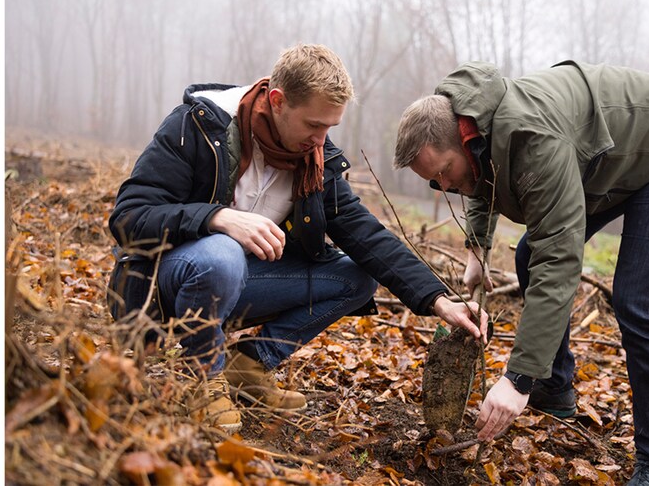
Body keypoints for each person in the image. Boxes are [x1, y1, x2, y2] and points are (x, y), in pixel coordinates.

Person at [107, 44, 488, 434]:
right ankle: (203, 377)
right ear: (277, 101)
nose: (321, 139)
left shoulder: (315, 160)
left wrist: (438, 299)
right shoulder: (199, 126)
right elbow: (129, 217)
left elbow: (366, 234)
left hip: (238, 283)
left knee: (356, 277)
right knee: (222, 253)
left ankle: (248, 366)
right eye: (313, 125)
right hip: (165, 284)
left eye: (329, 128)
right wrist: (218, 218)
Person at [393, 60, 649, 485]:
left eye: (443, 174)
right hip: (613, 158)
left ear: (460, 136)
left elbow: (560, 260)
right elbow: (479, 174)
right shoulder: (466, 118)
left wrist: (518, 378)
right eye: (435, 184)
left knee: (638, 300)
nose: (447, 188)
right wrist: (477, 246)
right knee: (528, 253)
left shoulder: (533, 139)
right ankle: (557, 387)